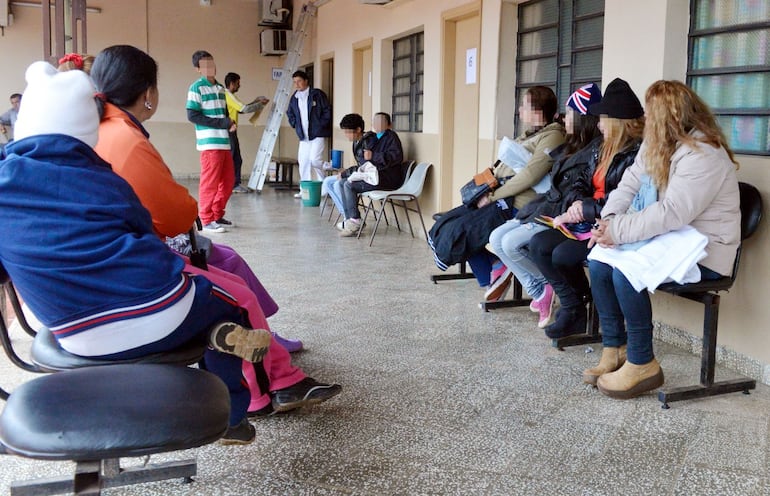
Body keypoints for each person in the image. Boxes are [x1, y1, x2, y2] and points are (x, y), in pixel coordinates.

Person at [0, 60, 274, 444]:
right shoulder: (102, 178)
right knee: (233, 303)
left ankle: (211, 335)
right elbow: (146, 228)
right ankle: (233, 415)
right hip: (157, 309)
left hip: (74, 334)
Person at [90, 45, 340, 416]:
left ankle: (269, 341)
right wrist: (188, 208)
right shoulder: (125, 139)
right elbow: (175, 214)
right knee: (234, 293)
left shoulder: (107, 129)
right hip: (144, 261)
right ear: (148, 93)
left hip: (133, 252)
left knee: (229, 257)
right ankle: (265, 386)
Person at [586, 79, 740, 399]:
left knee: (627, 271)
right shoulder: (659, 142)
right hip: (676, 238)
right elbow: (628, 184)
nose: (646, 118)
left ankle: (643, 362)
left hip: (706, 250)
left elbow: (672, 213)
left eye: (652, 112)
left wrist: (618, 232)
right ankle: (615, 347)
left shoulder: (704, 152)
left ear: (670, 115)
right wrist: (608, 221)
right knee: (600, 262)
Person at [528, 78, 644, 339]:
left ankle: (579, 307)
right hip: (585, 219)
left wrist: (588, 208)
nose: (598, 124)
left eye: (603, 119)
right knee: (539, 244)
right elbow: (580, 180)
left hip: (610, 222)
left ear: (617, 122)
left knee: (562, 255)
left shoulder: (636, 153)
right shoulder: (601, 147)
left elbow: (629, 198)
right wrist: (578, 202)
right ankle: (574, 307)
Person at [488, 83, 603, 328]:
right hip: (548, 209)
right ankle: (542, 291)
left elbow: (574, 192)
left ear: (584, 118)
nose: (564, 118)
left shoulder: (592, 150)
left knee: (512, 242)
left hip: (567, 218)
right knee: (497, 237)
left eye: (570, 113)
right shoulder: (572, 145)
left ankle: (558, 294)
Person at [428, 86, 566, 291]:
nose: (520, 110)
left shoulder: (553, 136)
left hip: (519, 203)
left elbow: (530, 176)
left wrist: (493, 197)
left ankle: (493, 273)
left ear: (537, 110)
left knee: (463, 232)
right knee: (449, 224)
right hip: (499, 195)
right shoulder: (528, 134)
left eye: (524, 106)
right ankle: (494, 269)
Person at [186, 50, 235, 232]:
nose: (210, 67)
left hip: (223, 142)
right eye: (205, 65)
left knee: (229, 181)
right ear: (198, 69)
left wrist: (229, 123)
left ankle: (217, 214)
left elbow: (223, 112)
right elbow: (192, 115)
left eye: (211, 63)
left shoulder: (220, 88)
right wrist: (221, 123)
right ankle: (206, 219)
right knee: (210, 182)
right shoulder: (196, 88)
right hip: (209, 143)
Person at [337, 112, 404, 237]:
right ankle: (350, 220)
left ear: (389, 125)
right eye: (375, 122)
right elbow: (365, 163)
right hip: (375, 176)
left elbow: (396, 157)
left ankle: (355, 220)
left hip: (387, 178)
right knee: (342, 182)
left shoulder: (391, 137)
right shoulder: (374, 138)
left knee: (349, 185)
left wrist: (374, 156)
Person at [286, 70, 332, 197]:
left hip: (317, 134)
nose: (297, 84)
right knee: (304, 161)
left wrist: (322, 124)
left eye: (299, 81)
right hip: (303, 136)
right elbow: (289, 113)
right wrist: (294, 124)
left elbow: (327, 110)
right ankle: (304, 190)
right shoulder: (294, 97)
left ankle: (324, 186)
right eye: (295, 82)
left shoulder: (317, 94)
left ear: (306, 81)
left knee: (315, 160)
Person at [224, 72, 269, 194]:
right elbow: (245, 109)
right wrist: (260, 104)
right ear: (232, 83)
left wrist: (256, 101)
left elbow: (241, 109)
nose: (240, 85)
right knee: (235, 158)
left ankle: (233, 184)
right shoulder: (228, 95)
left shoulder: (230, 96)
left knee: (235, 158)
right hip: (228, 131)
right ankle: (233, 184)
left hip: (230, 131)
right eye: (238, 83)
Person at [321, 113, 375, 215]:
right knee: (328, 181)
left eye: (348, 132)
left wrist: (345, 173)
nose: (346, 135)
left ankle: (350, 217)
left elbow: (364, 167)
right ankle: (347, 216)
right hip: (360, 174)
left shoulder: (368, 142)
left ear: (358, 129)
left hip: (368, 176)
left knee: (339, 184)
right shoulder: (357, 142)